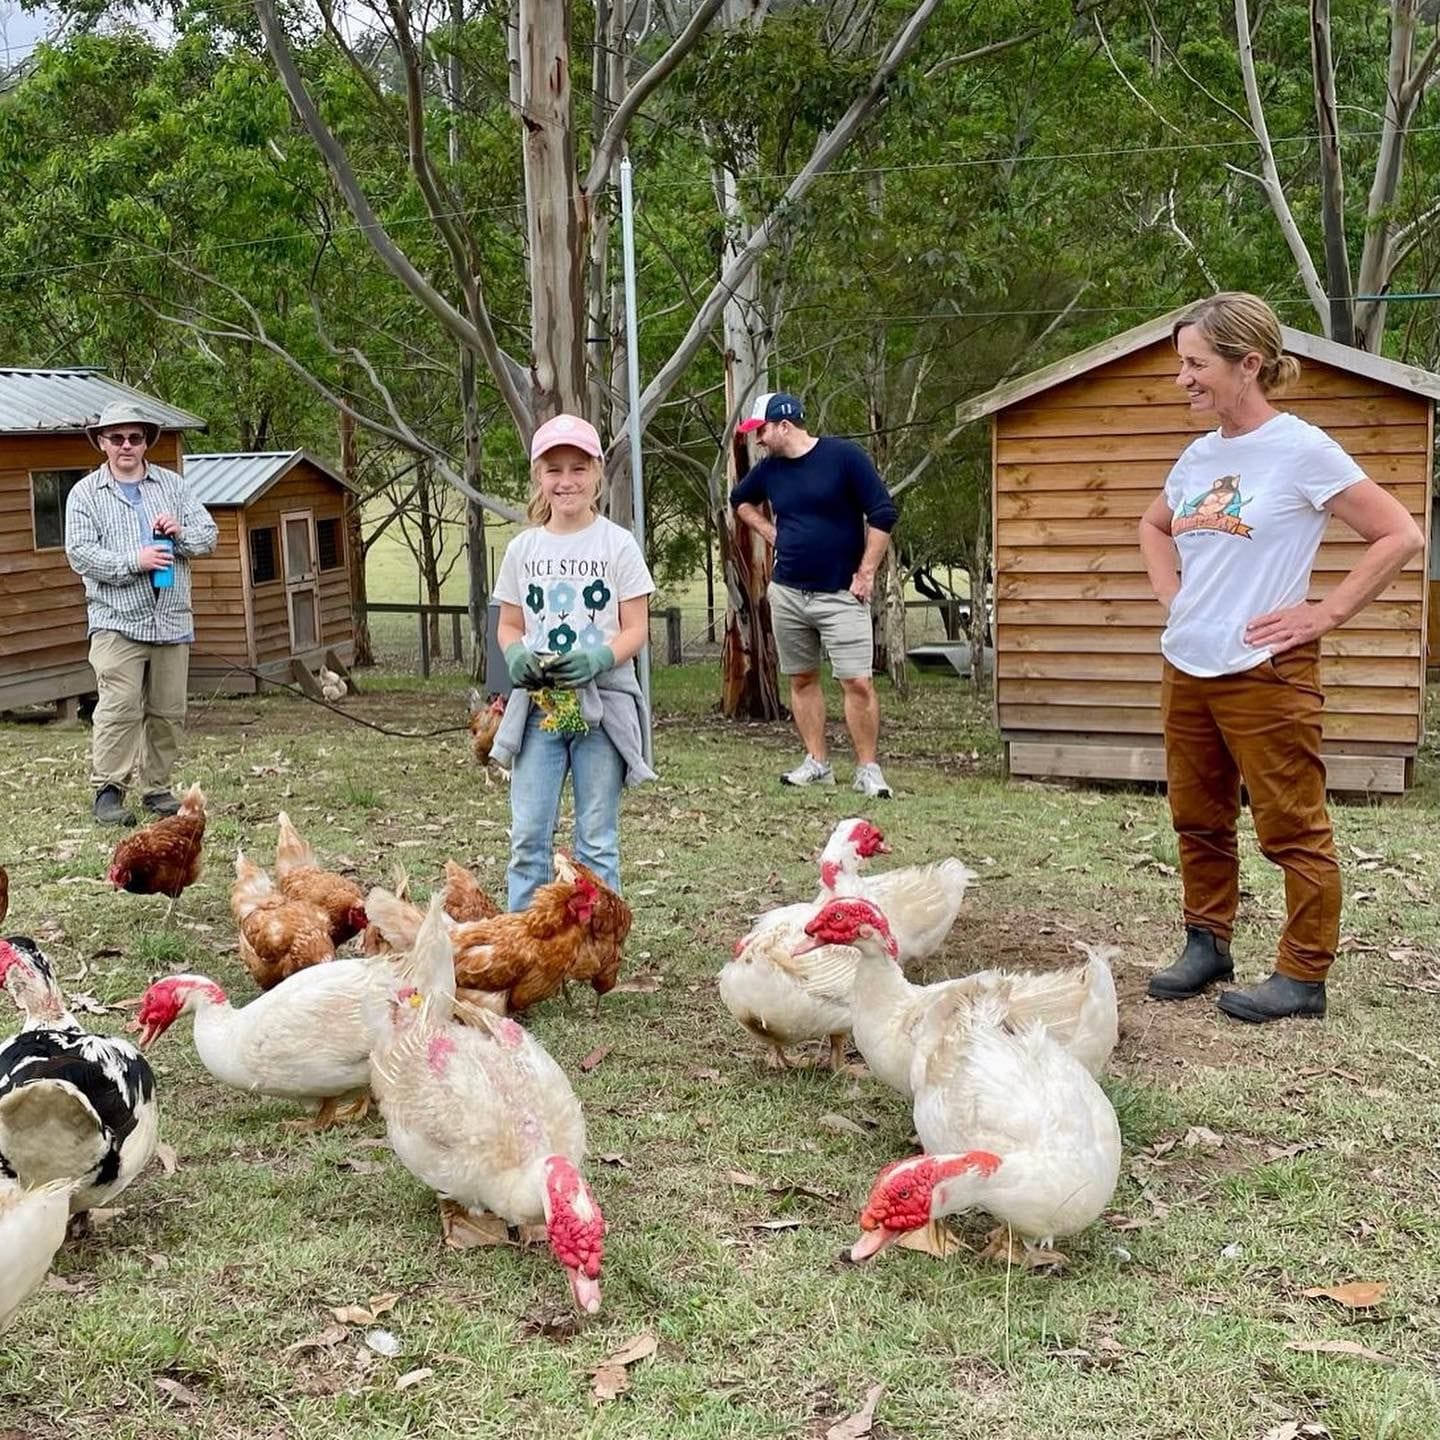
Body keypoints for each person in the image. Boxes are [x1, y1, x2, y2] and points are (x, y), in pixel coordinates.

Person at [1139, 293, 1423, 1022]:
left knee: (1292, 826)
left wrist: (1325, 612)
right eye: (1182, 364)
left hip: (1264, 673)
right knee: (1197, 817)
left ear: (1249, 365)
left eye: (1197, 364)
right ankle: (1208, 942)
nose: (1184, 379)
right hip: (1189, 665)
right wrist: (1174, 596)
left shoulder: (1302, 449)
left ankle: (1302, 975)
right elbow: (1154, 523)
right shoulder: (1200, 454)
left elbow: (1398, 534)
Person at [489, 414, 655, 912]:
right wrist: (515, 654)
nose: (566, 482)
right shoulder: (524, 549)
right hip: (540, 707)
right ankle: (522, 947)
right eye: (554, 470)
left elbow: (636, 629)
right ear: (539, 475)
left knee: (596, 839)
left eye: (578, 468)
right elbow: (509, 625)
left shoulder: (617, 544)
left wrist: (600, 657)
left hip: (602, 705)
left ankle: (599, 945)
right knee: (528, 837)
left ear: (597, 472)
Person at [729, 391, 899, 799]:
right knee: (802, 677)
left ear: (784, 425)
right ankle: (817, 762)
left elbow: (883, 513)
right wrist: (769, 532)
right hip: (788, 592)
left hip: (841, 592)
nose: (759, 440)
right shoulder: (770, 471)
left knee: (856, 681)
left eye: (762, 430)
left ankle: (868, 770)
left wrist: (866, 573)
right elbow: (740, 502)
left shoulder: (844, 458)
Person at [65, 402, 219, 826]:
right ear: (102, 443)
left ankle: (157, 789)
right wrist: (137, 560)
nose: (126, 445)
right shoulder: (84, 494)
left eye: (135, 437)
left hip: (171, 618)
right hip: (116, 621)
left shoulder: (172, 486)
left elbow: (209, 537)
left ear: (146, 441)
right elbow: (81, 554)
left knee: (168, 710)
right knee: (119, 706)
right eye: (117, 438)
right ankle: (109, 792)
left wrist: (180, 534)